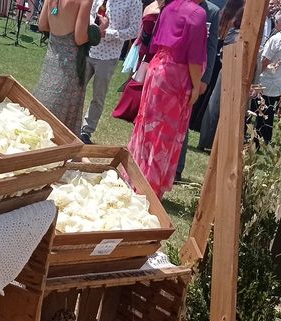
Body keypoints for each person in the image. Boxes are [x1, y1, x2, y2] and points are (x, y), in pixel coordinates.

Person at [128, 0, 207, 198]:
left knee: (146, 127)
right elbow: (194, 58)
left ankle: (134, 177)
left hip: (157, 70)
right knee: (164, 135)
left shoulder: (170, 6)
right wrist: (197, 85)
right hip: (175, 76)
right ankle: (149, 187)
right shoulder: (197, 13)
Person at [33, 0, 107, 133]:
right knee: (61, 119)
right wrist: (99, 29)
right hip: (70, 66)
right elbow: (79, 38)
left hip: (51, 60)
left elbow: (42, 24)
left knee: (42, 109)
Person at [79, 0, 141, 144]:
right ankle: (71, 122)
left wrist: (108, 33)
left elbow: (134, 30)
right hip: (88, 49)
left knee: (98, 96)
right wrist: (94, 28)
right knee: (77, 89)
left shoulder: (134, 2)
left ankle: (86, 131)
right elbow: (88, 13)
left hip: (108, 55)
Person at [174, 0, 219, 182]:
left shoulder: (213, 12)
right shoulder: (179, 5)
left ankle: (177, 168)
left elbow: (211, 47)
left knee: (182, 120)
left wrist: (205, 79)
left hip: (194, 75)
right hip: (172, 68)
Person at [195, 0, 244, 152]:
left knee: (207, 97)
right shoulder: (231, 25)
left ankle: (197, 123)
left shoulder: (221, 14)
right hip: (218, 61)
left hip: (215, 58)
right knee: (212, 99)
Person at [252, 11, 281, 144]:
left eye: (276, 22)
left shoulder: (277, 38)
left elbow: (264, 61)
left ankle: (256, 139)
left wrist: (256, 76)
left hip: (265, 79)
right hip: (278, 80)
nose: (275, 24)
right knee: (269, 112)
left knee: (259, 111)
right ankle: (266, 138)